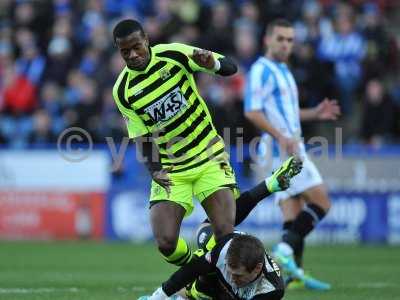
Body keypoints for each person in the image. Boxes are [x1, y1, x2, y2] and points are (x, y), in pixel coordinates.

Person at [112, 19, 240, 267]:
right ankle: (199, 271)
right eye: (125, 51)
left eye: (137, 47)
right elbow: (141, 137)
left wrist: (211, 63)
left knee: (224, 233)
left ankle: (212, 278)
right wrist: (154, 169)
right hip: (173, 169)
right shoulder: (122, 90)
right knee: (166, 243)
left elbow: (230, 67)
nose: (133, 55)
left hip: (209, 156)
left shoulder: (174, 54)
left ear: (147, 40)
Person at [244, 19, 340, 290]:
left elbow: (286, 111)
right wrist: (282, 138)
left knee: (292, 212)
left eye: (290, 40)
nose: (286, 45)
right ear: (267, 39)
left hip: (285, 145)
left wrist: (314, 113)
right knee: (322, 202)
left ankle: (291, 276)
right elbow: (252, 111)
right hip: (284, 149)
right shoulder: (261, 71)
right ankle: (285, 250)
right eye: (281, 39)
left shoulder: (283, 70)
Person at [139, 156, 303, 300]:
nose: (233, 278)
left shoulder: (271, 290)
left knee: (202, 284)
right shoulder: (223, 253)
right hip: (219, 248)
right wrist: (158, 296)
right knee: (205, 238)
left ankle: (270, 185)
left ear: (258, 269)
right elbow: (189, 272)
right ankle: (269, 185)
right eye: (231, 272)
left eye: (238, 275)